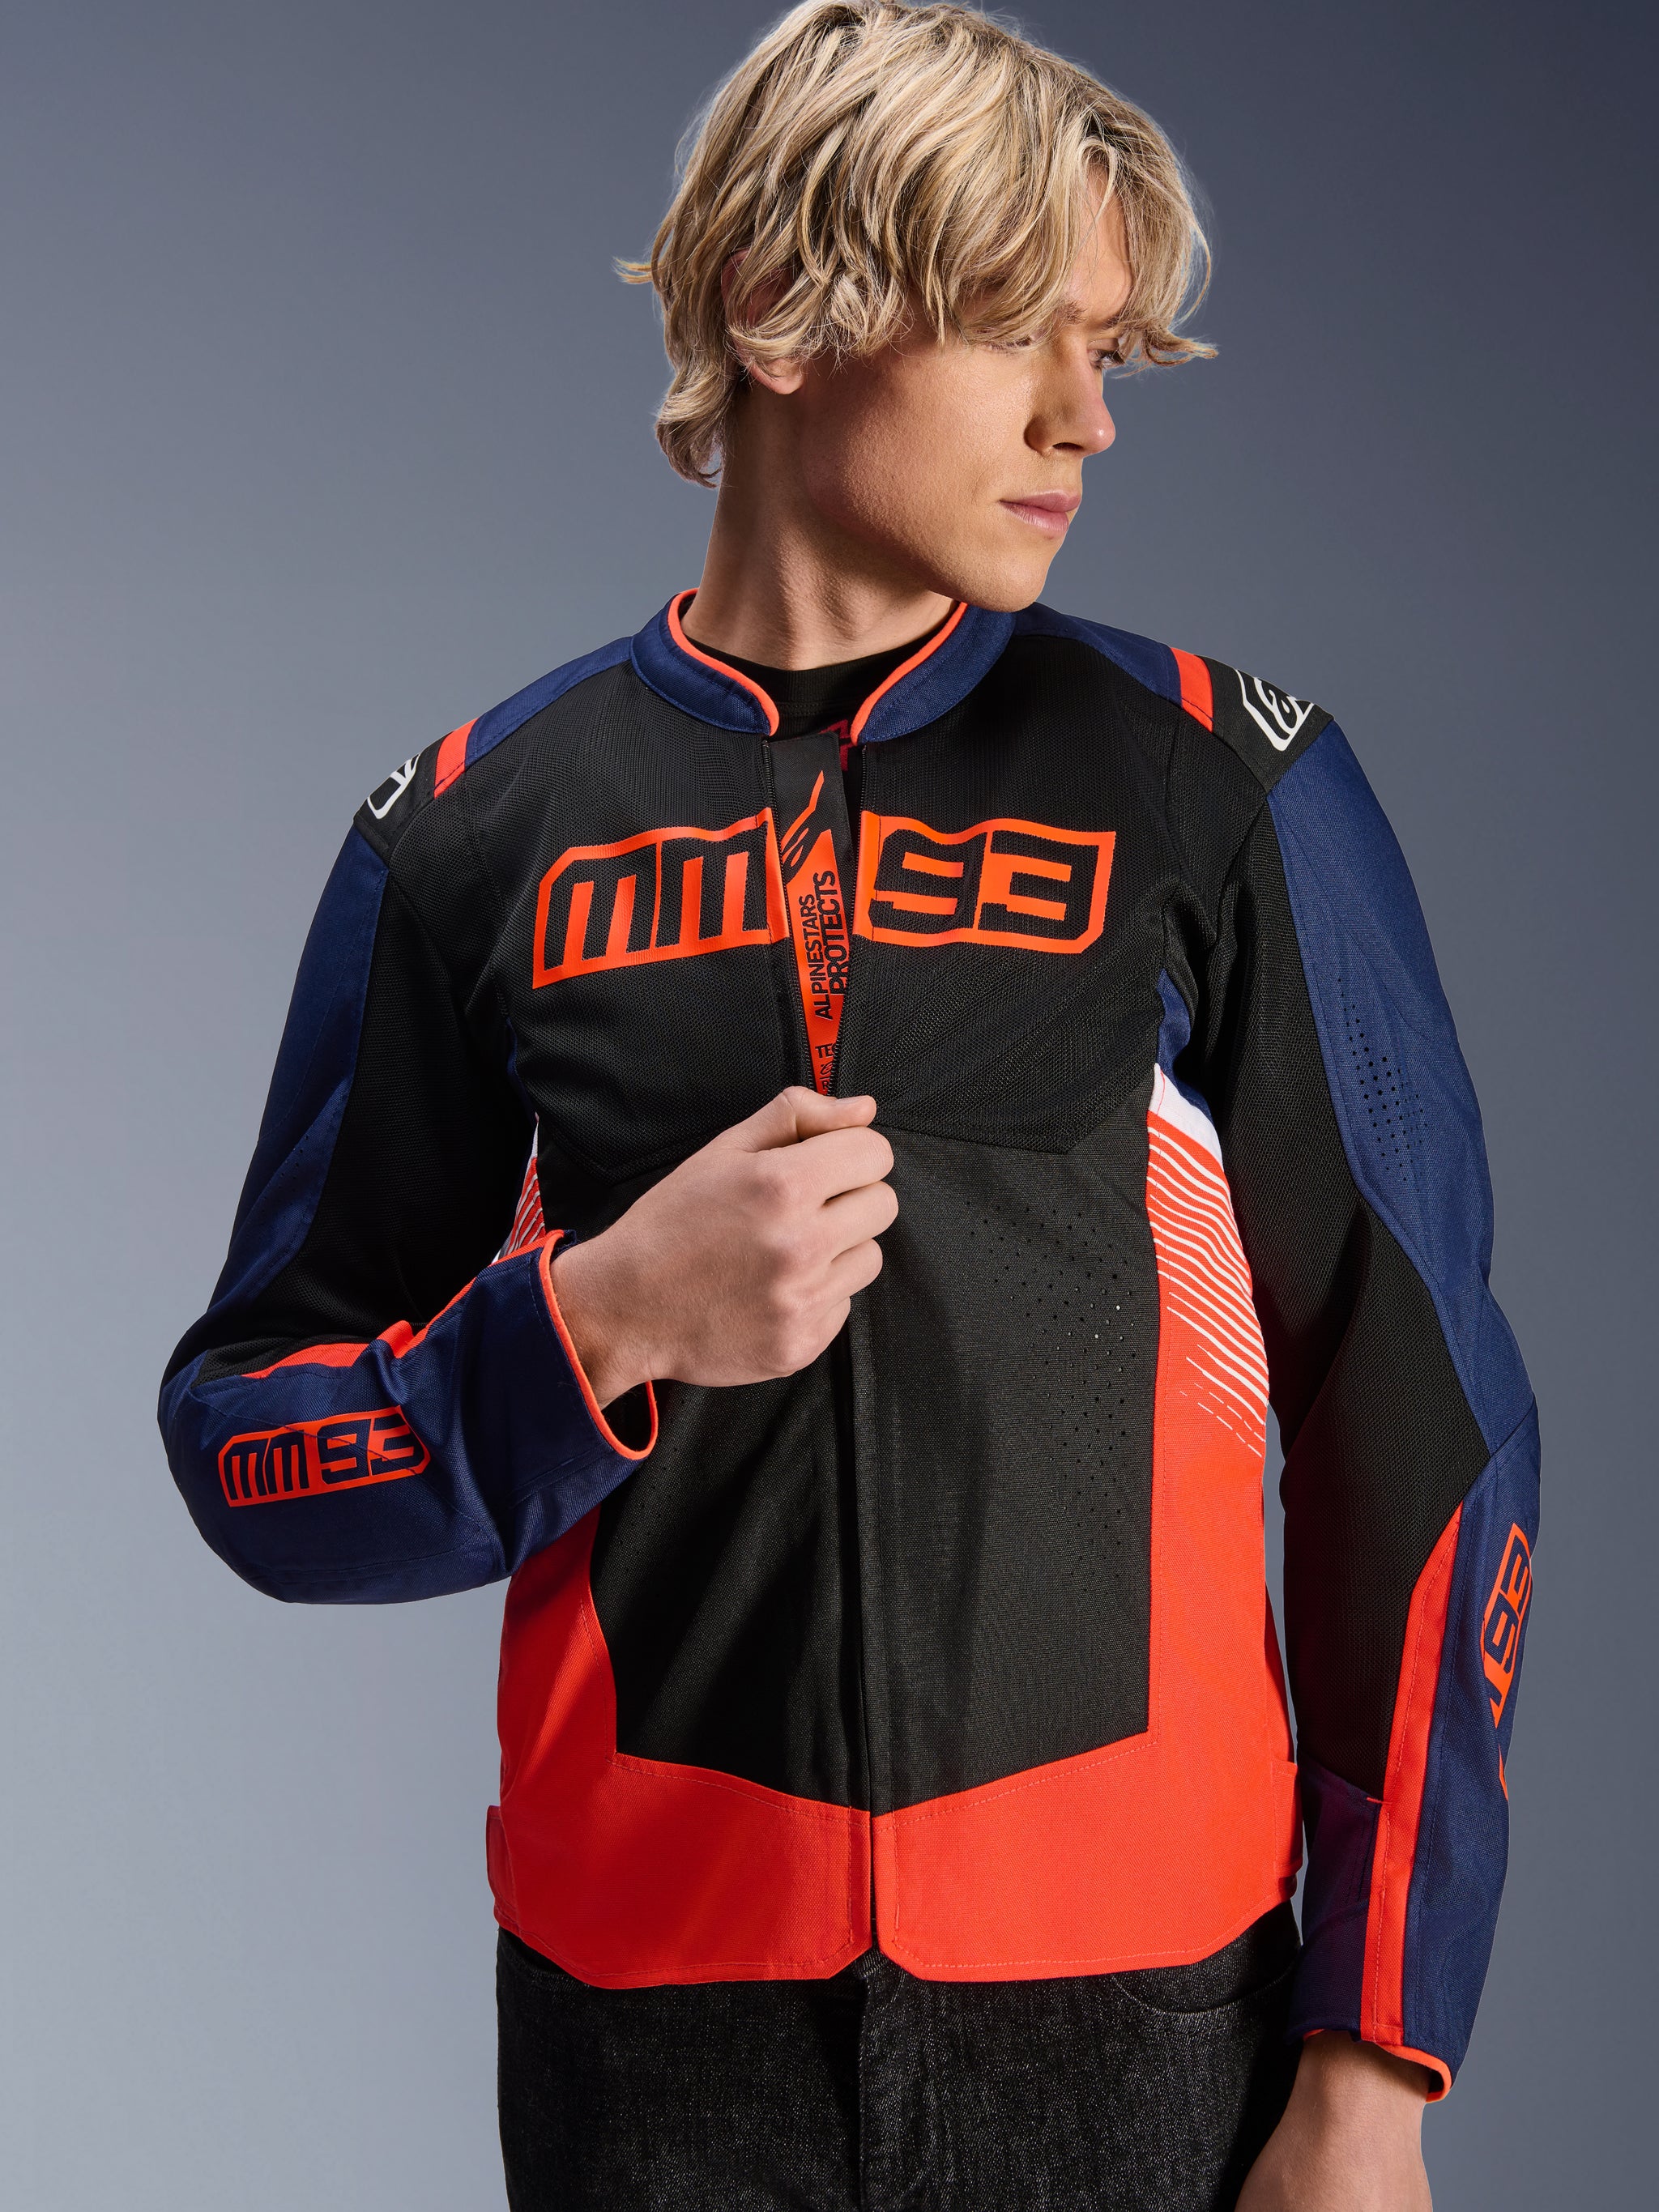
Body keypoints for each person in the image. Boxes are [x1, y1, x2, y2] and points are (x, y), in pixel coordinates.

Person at [158, 5, 1537, 2206]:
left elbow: (1431, 1414)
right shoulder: (473, 832)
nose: (1088, 416)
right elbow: (254, 1443)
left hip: (1145, 2031)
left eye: (1108, 347)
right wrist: (596, 1323)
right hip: (646, 2047)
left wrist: (1378, 2058)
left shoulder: (1218, 785)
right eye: (1020, 331)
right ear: (783, 311)